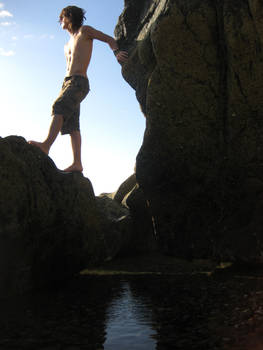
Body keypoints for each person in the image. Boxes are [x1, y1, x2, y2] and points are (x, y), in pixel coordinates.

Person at [29, 5, 128, 173]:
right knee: (72, 125)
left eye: (62, 17)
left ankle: (46, 145)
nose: (60, 21)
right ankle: (77, 163)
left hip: (79, 81)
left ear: (69, 16)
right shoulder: (67, 44)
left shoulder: (85, 31)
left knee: (58, 107)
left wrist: (116, 52)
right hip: (67, 83)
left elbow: (108, 39)